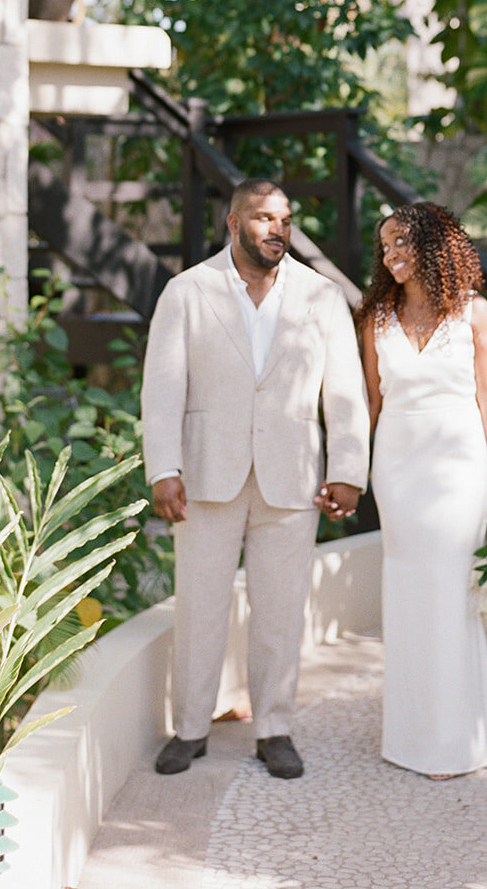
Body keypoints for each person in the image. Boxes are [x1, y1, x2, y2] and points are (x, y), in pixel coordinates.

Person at [141, 178, 369, 780]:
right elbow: (162, 388)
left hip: (292, 477)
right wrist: (163, 468)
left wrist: (348, 470)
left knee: (281, 611)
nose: (278, 230)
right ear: (234, 222)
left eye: (285, 220)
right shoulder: (187, 291)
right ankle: (190, 729)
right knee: (199, 606)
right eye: (265, 218)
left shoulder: (321, 296)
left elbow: (345, 391)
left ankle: (274, 729)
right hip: (206, 474)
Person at [357, 200, 487, 778]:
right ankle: (411, 735)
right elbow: (371, 402)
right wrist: (349, 470)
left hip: (459, 466)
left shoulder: (474, 313)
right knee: (407, 591)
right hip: (396, 468)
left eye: (401, 242)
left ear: (433, 245)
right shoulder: (376, 318)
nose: (391, 255)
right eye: (385, 246)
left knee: (449, 590)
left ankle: (454, 741)